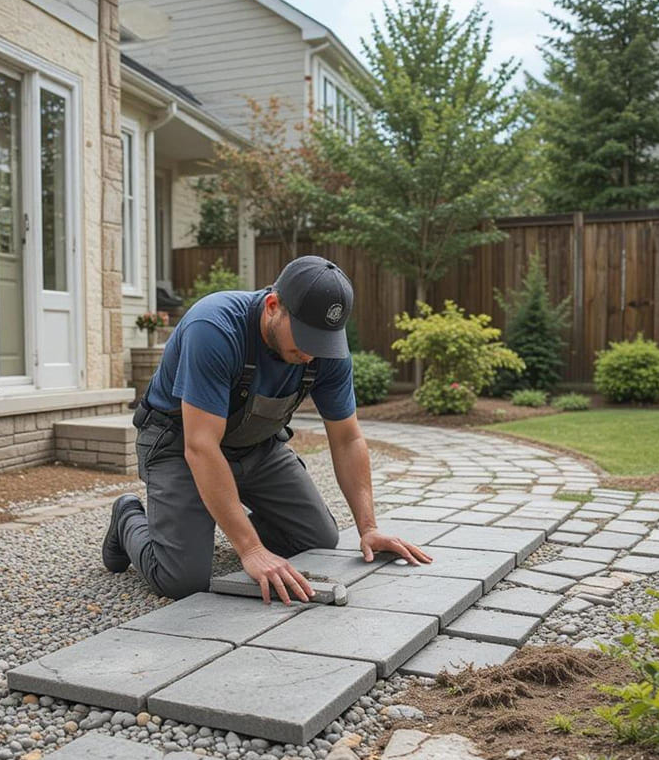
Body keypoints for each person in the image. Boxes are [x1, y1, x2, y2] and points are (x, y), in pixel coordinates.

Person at [101, 255, 431, 604]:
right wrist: (251, 548)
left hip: (257, 446)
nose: (311, 354)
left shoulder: (325, 352)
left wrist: (369, 528)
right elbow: (200, 447)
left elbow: (348, 438)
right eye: (305, 338)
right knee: (183, 579)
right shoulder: (213, 327)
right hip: (179, 445)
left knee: (317, 540)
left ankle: (207, 521)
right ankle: (128, 519)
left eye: (322, 342)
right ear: (273, 306)